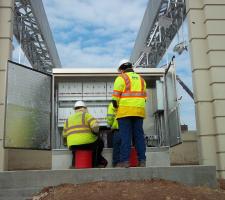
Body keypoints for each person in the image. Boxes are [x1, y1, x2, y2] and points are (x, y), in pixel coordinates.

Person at [112, 59, 147, 167]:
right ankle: (142, 161)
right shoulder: (141, 80)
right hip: (139, 111)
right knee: (139, 136)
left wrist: (116, 107)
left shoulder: (121, 78)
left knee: (125, 137)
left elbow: (115, 99)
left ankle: (125, 161)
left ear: (122, 69)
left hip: (125, 111)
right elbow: (145, 98)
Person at [63, 100, 107, 168]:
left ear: (75, 109)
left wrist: (67, 144)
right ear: (85, 108)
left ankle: (74, 164)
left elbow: (64, 135)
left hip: (72, 145)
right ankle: (96, 163)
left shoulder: (68, 119)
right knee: (100, 143)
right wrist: (95, 132)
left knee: (75, 149)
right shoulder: (87, 115)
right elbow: (95, 126)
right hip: (87, 144)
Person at [106, 102, 120, 167]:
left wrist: (110, 125)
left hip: (117, 128)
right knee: (125, 145)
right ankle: (125, 161)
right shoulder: (126, 102)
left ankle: (116, 163)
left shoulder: (112, 104)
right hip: (127, 128)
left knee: (116, 146)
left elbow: (110, 117)